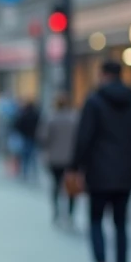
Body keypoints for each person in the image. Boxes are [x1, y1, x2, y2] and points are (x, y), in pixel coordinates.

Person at [70, 60, 131, 262]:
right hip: (126, 173)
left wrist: (76, 166)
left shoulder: (94, 102)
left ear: (103, 75)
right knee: (121, 224)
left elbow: (84, 137)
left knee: (95, 220)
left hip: (98, 172)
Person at [39, 93, 80, 226]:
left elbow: (43, 137)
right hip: (71, 158)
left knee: (56, 185)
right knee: (71, 186)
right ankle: (70, 213)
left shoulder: (52, 118)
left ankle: (56, 211)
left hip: (55, 158)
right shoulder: (75, 118)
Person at [13, 98, 42, 181]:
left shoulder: (24, 114)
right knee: (32, 156)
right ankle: (34, 173)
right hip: (33, 137)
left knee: (25, 156)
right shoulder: (36, 114)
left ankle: (25, 172)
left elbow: (18, 124)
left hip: (25, 137)